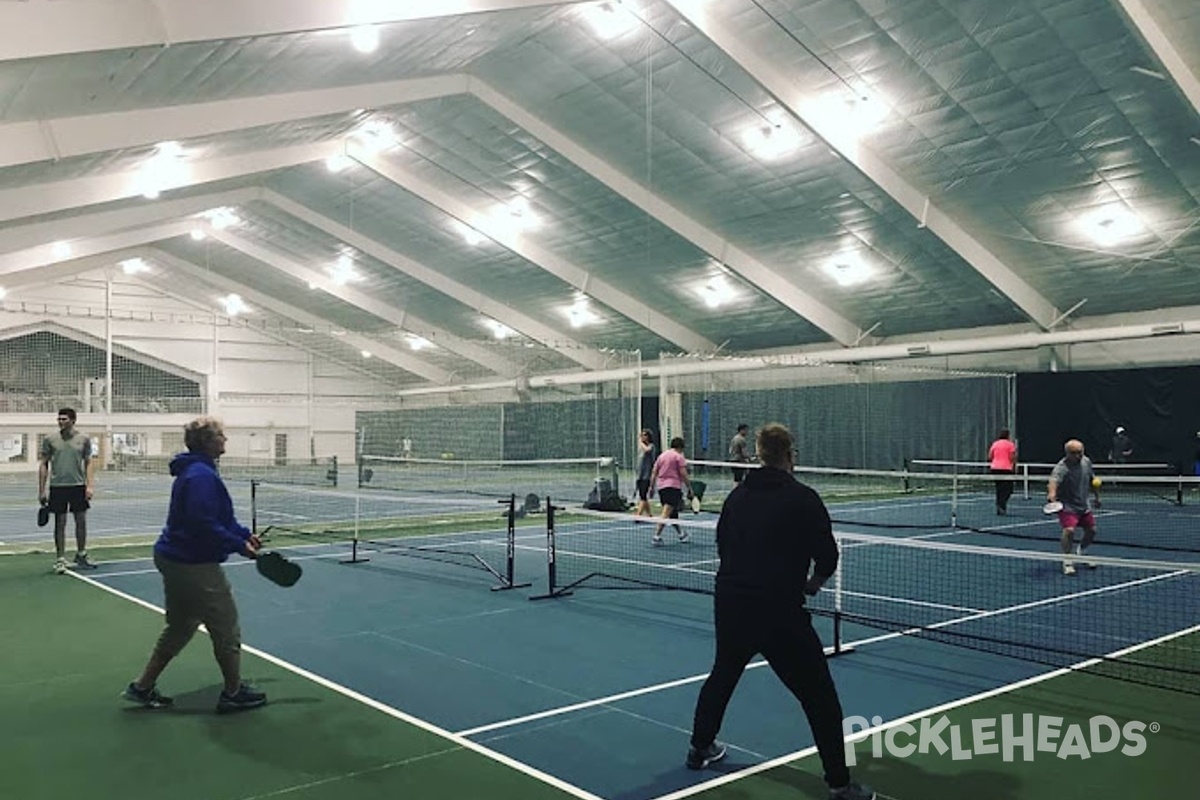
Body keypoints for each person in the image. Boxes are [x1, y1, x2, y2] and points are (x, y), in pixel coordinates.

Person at [686, 424, 875, 800]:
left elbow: (724, 546)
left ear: (758, 453)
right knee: (820, 698)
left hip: (731, 603)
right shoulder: (803, 498)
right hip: (778, 613)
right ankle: (839, 783)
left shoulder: (737, 497)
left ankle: (699, 748)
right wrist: (814, 583)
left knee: (722, 675)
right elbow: (828, 556)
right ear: (790, 454)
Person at [122, 416, 267, 713]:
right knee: (226, 626)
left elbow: (220, 520)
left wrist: (243, 535)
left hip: (174, 557)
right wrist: (239, 546)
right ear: (208, 442)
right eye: (221, 435)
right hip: (192, 563)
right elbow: (202, 524)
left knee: (182, 625)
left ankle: (142, 686)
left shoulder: (199, 471)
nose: (225, 439)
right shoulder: (201, 476)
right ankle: (233, 692)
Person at [38, 407, 97, 574]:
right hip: (57, 487)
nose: (60, 422)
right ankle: (60, 559)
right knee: (60, 523)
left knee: (81, 522)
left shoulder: (84, 439)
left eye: (64, 419)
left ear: (73, 420)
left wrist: (90, 485)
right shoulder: (50, 439)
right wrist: (42, 490)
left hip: (78, 486)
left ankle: (81, 554)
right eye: (59, 419)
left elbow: (88, 462)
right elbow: (44, 464)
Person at [1047, 439, 1100, 576]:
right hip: (1068, 506)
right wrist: (1052, 494)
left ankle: (1081, 553)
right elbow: (1053, 481)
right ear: (1067, 453)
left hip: (1083, 504)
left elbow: (1092, 480)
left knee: (1092, 531)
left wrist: (1097, 497)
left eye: (1080, 452)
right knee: (1069, 531)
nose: (1078, 455)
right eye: (1074, 453)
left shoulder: (1086, 462)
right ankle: (1068, 560)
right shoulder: (1062, 467)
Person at [648, 436, 694, 545]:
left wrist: (651, 487)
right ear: (680, 447)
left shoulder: (662, 456)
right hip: (673, 487)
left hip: (661, 488)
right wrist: (690, 488)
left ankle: (681, 534)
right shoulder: (679, 456)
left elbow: (654, 472)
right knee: (665, 513)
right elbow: (683, 474)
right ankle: (656, 536)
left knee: (672, 514)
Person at [987, 428, 1017, 515]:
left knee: (999, 488)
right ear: (1008, 436)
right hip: (1006, 469)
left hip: (995, 468)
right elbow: (1012, 457)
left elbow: (990, 456)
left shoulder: (995, 444)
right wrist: (1014, 466)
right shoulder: (1010, 444)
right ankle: (1001, 505)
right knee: (1008, 489)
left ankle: (1000, 504)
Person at [633, 428, 657, 517]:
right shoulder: (641, 449)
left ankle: (638, 515)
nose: (642, 437)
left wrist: (641, 443)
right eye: (641, 435)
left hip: (647, 476)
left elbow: (647, 450)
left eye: (644, 435)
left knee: (643, 496)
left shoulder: (651, 446)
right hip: (640, 475)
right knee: (643, 496)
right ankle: (650, 515)